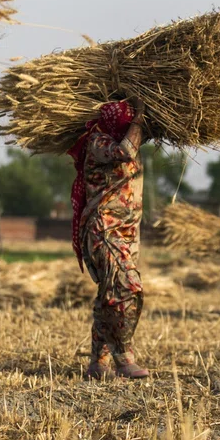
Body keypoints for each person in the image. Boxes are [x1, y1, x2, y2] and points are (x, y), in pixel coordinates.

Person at [68, 97, 150, 380]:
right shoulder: (98, 143)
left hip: (126, 233)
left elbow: (133, 145)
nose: (132, 128)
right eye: (128, 123)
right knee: (128, 288)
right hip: (103, 230)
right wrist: (140, 117)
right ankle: (123, 356)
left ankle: (97, 362)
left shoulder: (127, 142)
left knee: (108, 296)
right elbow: (126, 150)